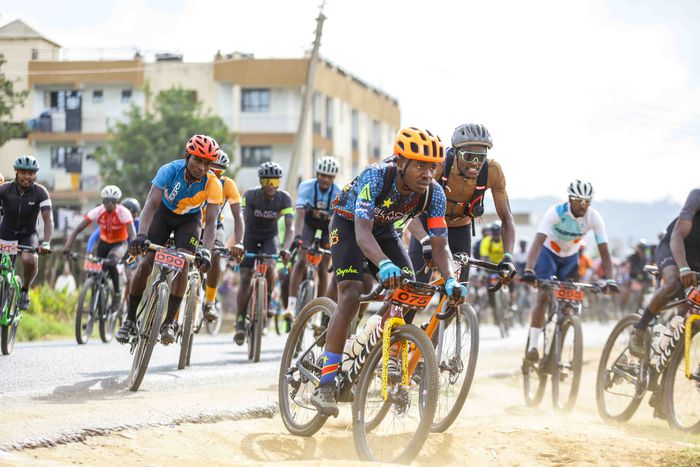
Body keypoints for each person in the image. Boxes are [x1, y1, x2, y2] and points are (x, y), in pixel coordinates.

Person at [310, 127, 468, 417]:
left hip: (384, 231)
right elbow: (362, 234)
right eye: (420, 166)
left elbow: (440, 244)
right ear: (401, 162)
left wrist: (450, 280)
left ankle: (376, 347)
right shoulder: (375, 176)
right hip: (349, 225)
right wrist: (383, 264)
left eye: (432, 167)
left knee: (409, 291)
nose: (427, 174)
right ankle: (326, 383)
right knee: (351, 294)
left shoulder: (434, 194)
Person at [116, 135, 223, 345]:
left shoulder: (213, 183)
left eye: (207, 163)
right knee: (146, 263)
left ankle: (168, 323)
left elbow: (211, 222)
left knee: (183, 263)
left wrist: (206, 250)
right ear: (187, 156)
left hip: (190, 220)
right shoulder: (169, 170)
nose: (202, 167)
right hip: (163, 215)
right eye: (197, 160)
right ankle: (129, 320)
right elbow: (151, 204)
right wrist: (141, 235)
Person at [521, 180, 618, 362]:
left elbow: (604, 252)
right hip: (548, 253)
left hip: (570, 258)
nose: (584, 205)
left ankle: (564, 334)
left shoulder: (594, 218)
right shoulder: (556, 212)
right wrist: (529, 269)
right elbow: (537, 242)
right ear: (570, 199)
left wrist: (610, 280)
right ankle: (533, 346)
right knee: (543, 295)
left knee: (570, 300)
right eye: (580, 201)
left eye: (587, 202)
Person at [409, 123, 515, 282]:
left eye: (481, 157)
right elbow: (409, 210)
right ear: (456, 153)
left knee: (458, 288)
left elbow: (507, 218)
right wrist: (424, 240)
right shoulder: (438, 165)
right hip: (428, 223)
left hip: (460, 227)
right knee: (417, 285)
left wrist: (507, 257)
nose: (475, 163)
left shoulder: (493, 171)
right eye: (469, 156)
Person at [629, 188, 700, 357]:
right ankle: (640, 327)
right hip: (674, 247)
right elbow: (678, 235)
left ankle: (664, 361)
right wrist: (683, 268)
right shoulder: (697, 196)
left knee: (688, 316)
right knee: (674, 281)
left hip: (697, 258)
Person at [233, 161, 294, 345]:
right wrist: (239, 243)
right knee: (245, 277)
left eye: (275, 182)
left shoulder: (284, 198)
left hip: (270, 237)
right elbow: (242, 220)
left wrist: (286, 248)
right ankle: (240, 320)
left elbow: (290, 228)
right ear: (261, 181)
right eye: (267, 181)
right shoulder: (250, 195)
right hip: (250, 236)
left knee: (270, 267)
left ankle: (265, 301)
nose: (271, 186)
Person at [284, 155, 341, 319]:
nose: (325, 179)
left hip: (328, 226)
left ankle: (319, 311)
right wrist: (298, 237)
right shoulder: (306, 187)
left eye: (329, 176)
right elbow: (300, 214)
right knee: (301, 261)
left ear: (333, 178)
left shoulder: (338, 192)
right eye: (322, 175)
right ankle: (290, 306)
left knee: (323, 268)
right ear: (317, 174)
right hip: (308, 223)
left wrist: (336, 246)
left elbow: (338, 222)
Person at [64, 185, 136, 308]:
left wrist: (132, 253)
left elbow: (132, 235)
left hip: (119, 244)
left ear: (117, 202)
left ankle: (117, 294)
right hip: (103, 244)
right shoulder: (97, 211)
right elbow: (77, 229)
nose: (110, 204)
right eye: (107, 201)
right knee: (97, 271)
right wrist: (67, 246)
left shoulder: (124, 213)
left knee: (111, 263)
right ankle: (96, 302)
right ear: (103, 201)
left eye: (113, 201)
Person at [0, 156, 53, 309]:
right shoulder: (4, 189)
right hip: (6, 232)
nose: (27, 177)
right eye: (23, 173)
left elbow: (48, 220)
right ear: (16, 172)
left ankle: (24, 290)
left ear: (35, 175)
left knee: (29, 259)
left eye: (30, 173)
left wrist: (46, 242)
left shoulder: (41, 192)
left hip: (28, 235)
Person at [202, 151, 244, 322]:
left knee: (215, 254)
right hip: (192, 223)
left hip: (214, 226)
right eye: (211, 169)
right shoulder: (197, 179)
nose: (214, 174)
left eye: (219, 171)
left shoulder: (227, 185)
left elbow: (238, 216)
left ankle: (210, 301)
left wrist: (239, 242)